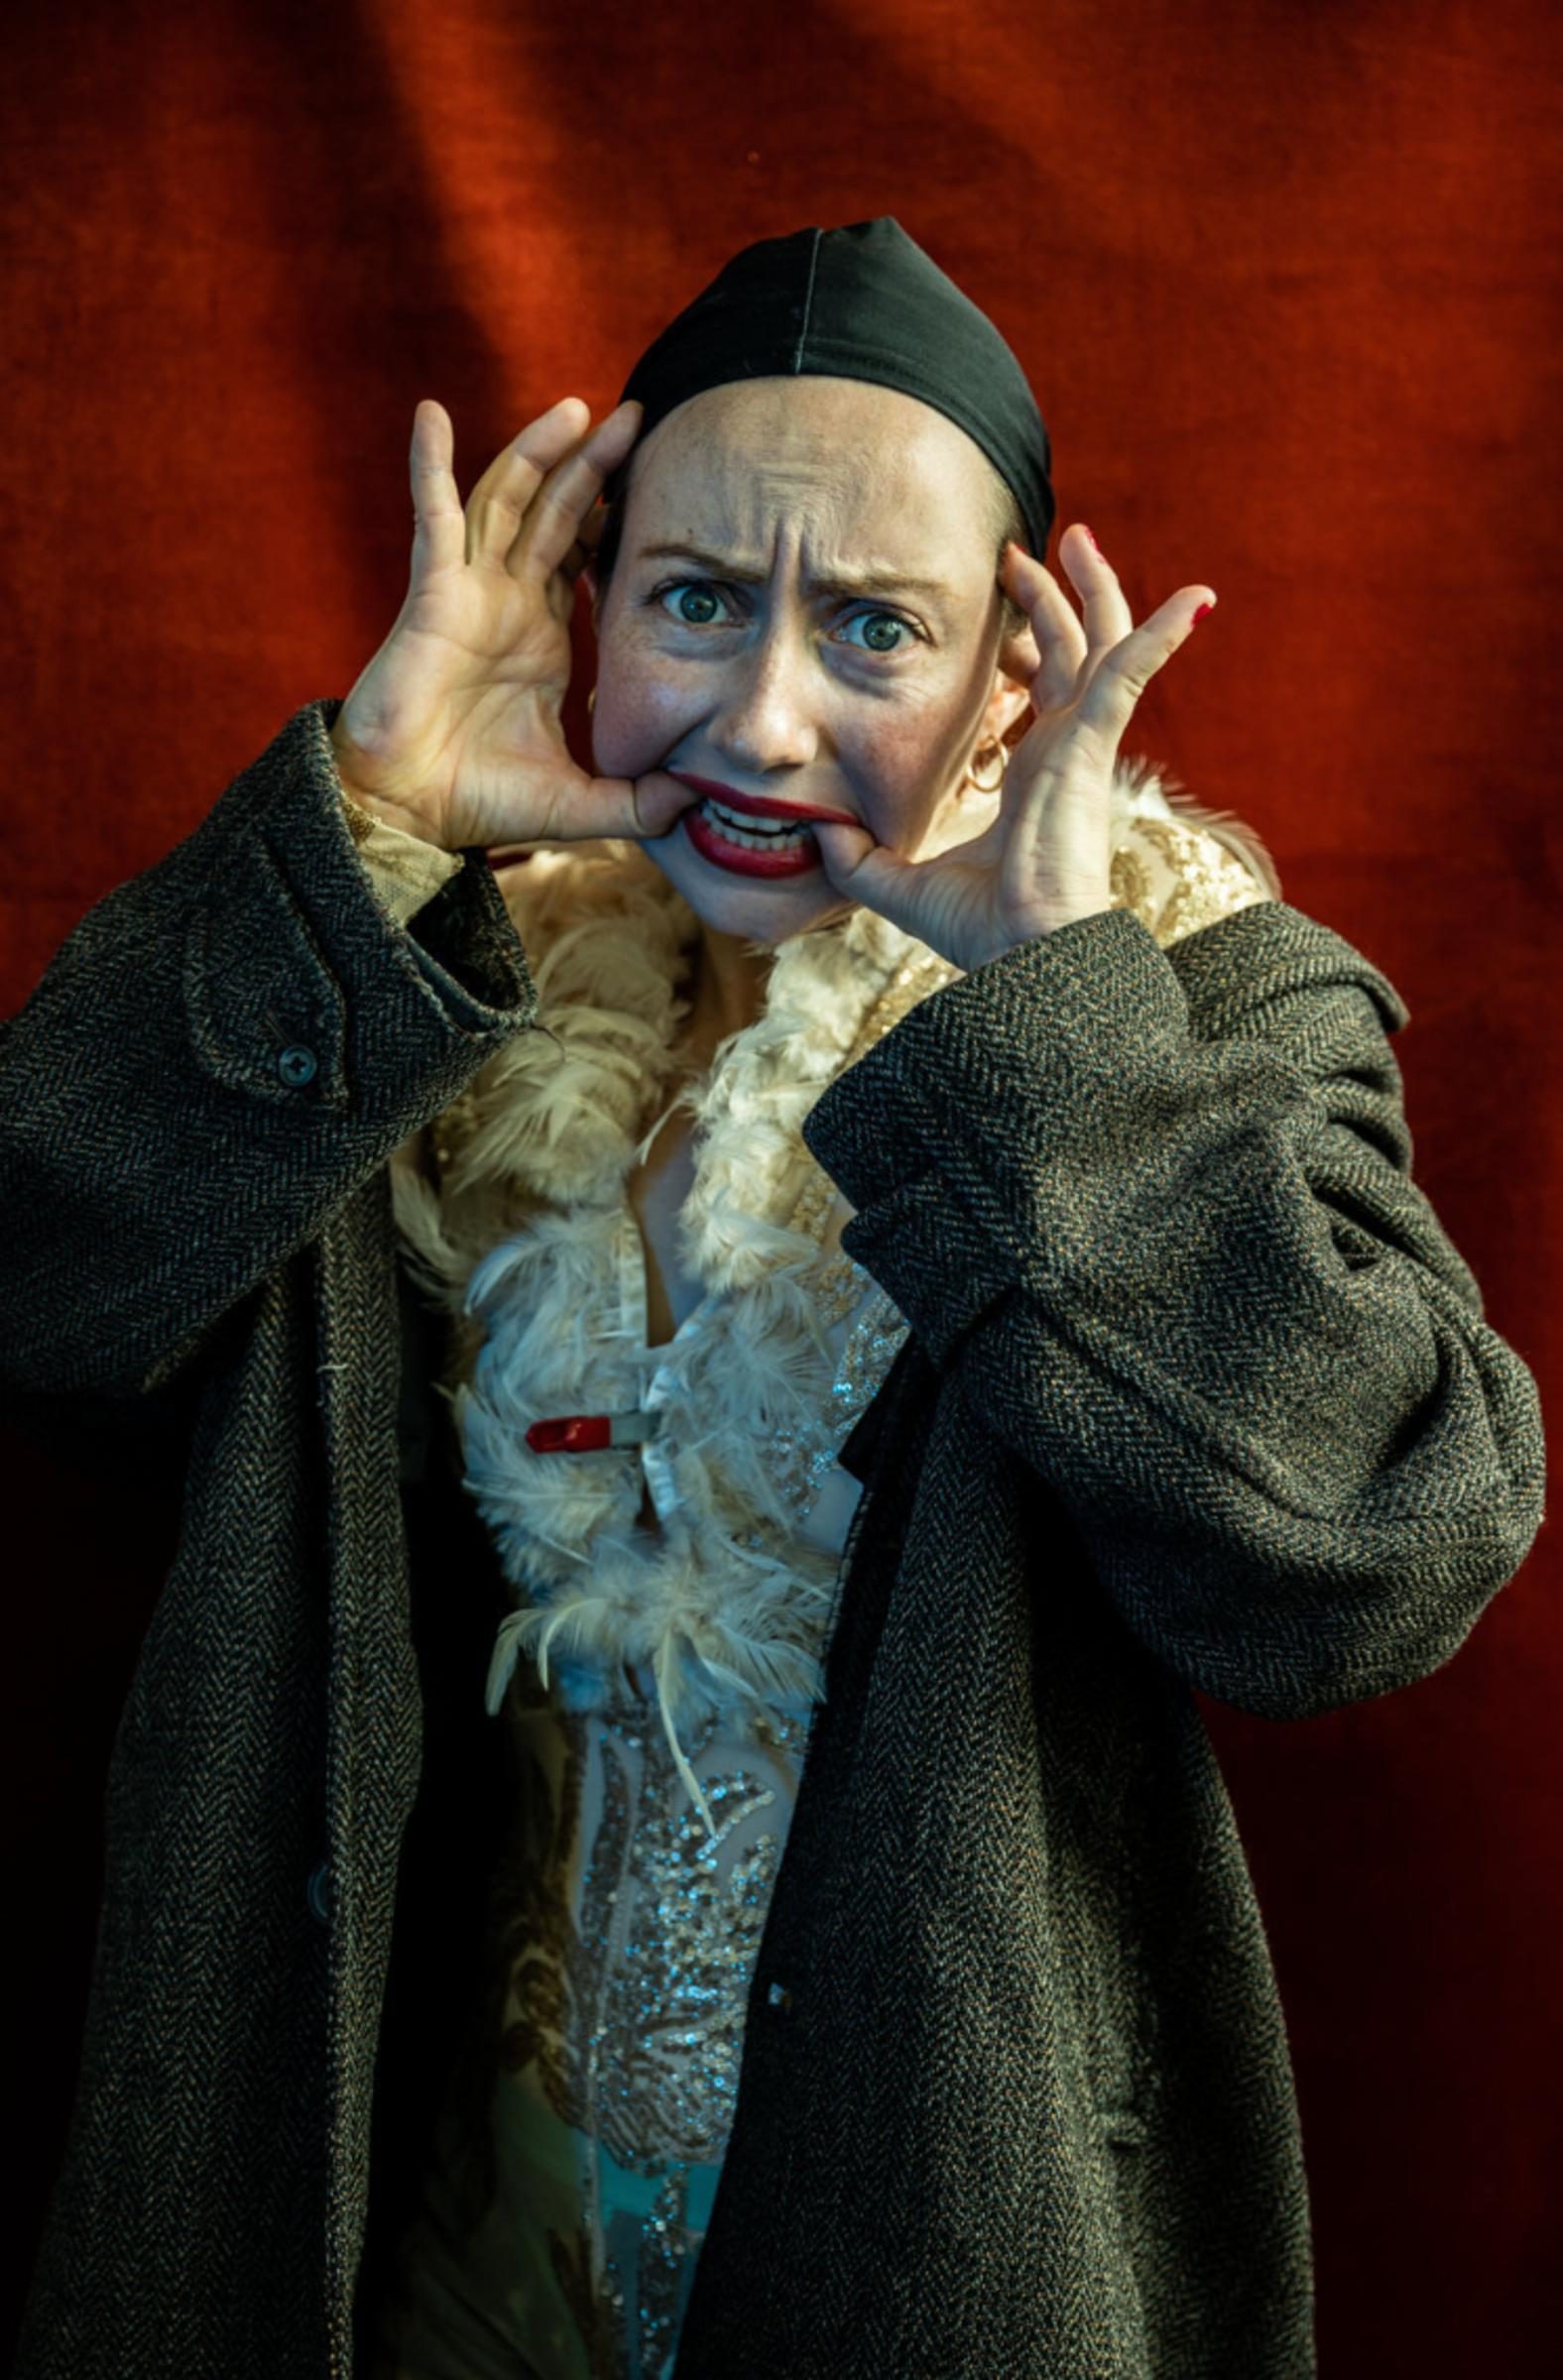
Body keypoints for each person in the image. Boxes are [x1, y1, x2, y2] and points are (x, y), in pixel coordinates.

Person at [4, 220, 1543, 2380]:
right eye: (697, 600)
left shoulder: (1196, 1009)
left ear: (1012, 680)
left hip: (928, 2236)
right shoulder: (428, 982)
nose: (761, 715)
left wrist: (1052, 1024)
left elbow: (1375, 1551)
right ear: (588, 606)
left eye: (875, 631)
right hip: (439, 2252)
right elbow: (44, 1294)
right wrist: (364, 821)